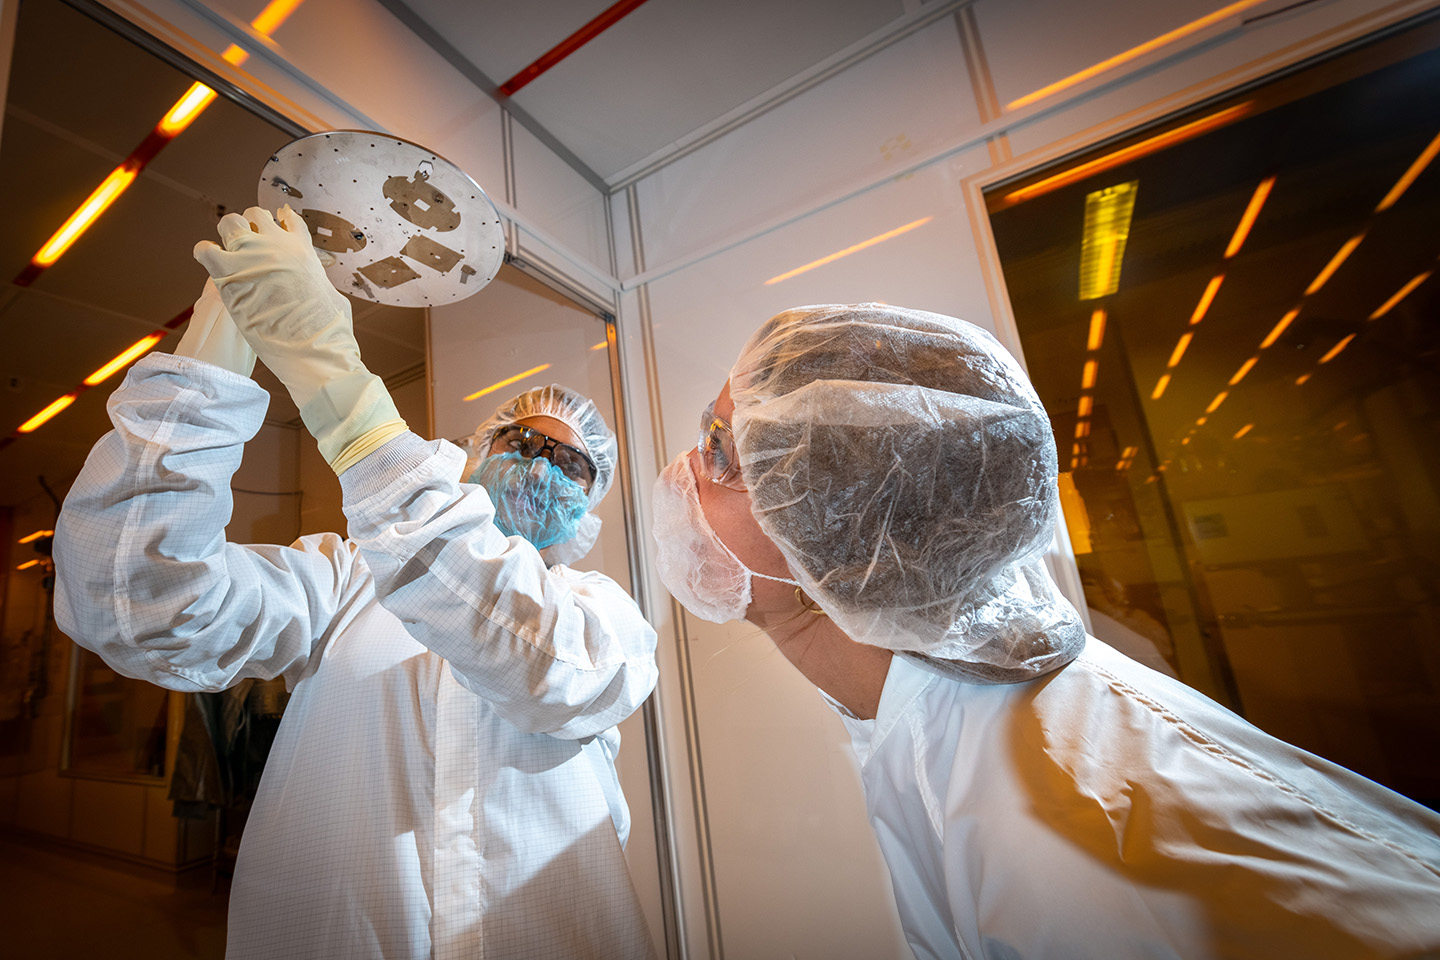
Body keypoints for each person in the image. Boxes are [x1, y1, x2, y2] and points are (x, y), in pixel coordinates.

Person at [650, 302, 1440, 960]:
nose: (685, 468)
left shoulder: (1067, 829)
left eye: (723, 449)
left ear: (839, 525)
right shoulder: (930, 731)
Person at [54, 207, 658, 960]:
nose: (538, 464)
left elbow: (540, 662)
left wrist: (343, 392)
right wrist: (217, 350)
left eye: (568, 462)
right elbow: (139, 600)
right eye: (521, 439)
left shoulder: (605, 619)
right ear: (475, 452)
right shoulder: (344, 579)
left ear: (591, 498)